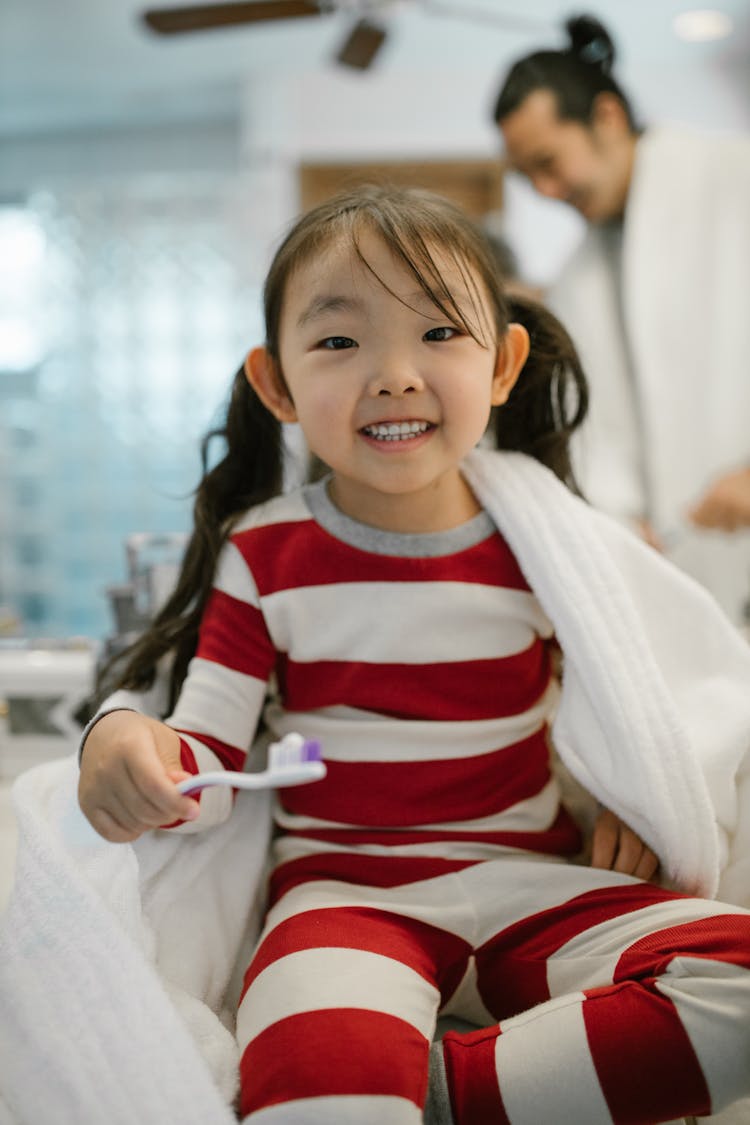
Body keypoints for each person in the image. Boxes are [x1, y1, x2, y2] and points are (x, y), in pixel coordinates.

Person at [77, 184, 750, 1124]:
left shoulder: (554, 542)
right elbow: (214, 756)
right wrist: (124, 743)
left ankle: (444, 1091)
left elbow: (657, 691)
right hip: (344, 896)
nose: (394, 373)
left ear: (504, 363)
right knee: (308, 1094)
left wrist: (641, 797)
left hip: (537, 885)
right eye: (340, 341)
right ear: (275, 383)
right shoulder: (265, 554)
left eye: (439, 333)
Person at [493, 14, 750, 626]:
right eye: (527, 176)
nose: (546, 190)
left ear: (606, 117)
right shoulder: (582, 274)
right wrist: (614, 518)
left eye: (549, 161)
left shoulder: (736, 180)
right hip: (689, 568)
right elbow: (594, 425)